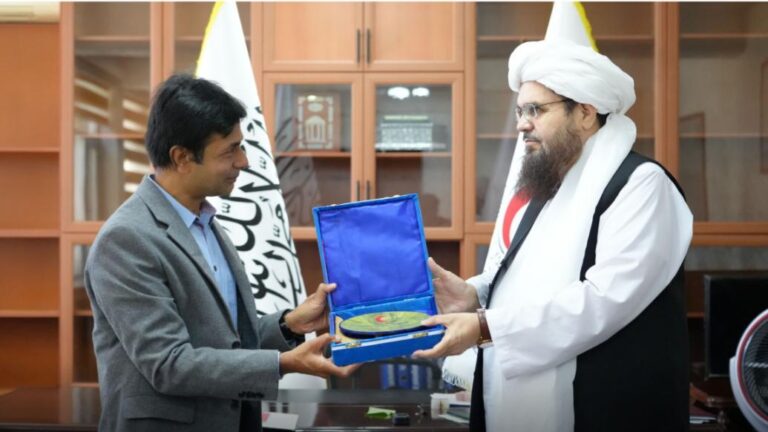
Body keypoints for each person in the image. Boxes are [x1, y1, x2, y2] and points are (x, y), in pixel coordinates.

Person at [413, 39, 693, 432]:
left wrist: (486, 327)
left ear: (585, 112)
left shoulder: (642, 184)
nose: (522, 124)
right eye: (520, 111)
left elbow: (602, 302)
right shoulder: (548, 185)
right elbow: (525, 277)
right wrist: (475, 297)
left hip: (606, 407)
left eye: (536, 110)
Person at [84, 74, 355, 432]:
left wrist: (290, 323)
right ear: (182, 157)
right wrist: (282, 363)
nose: (244, 161)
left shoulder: (206, 223)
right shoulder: (127, 240)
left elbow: (226, 341)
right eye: (230, 150)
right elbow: (169, 364)